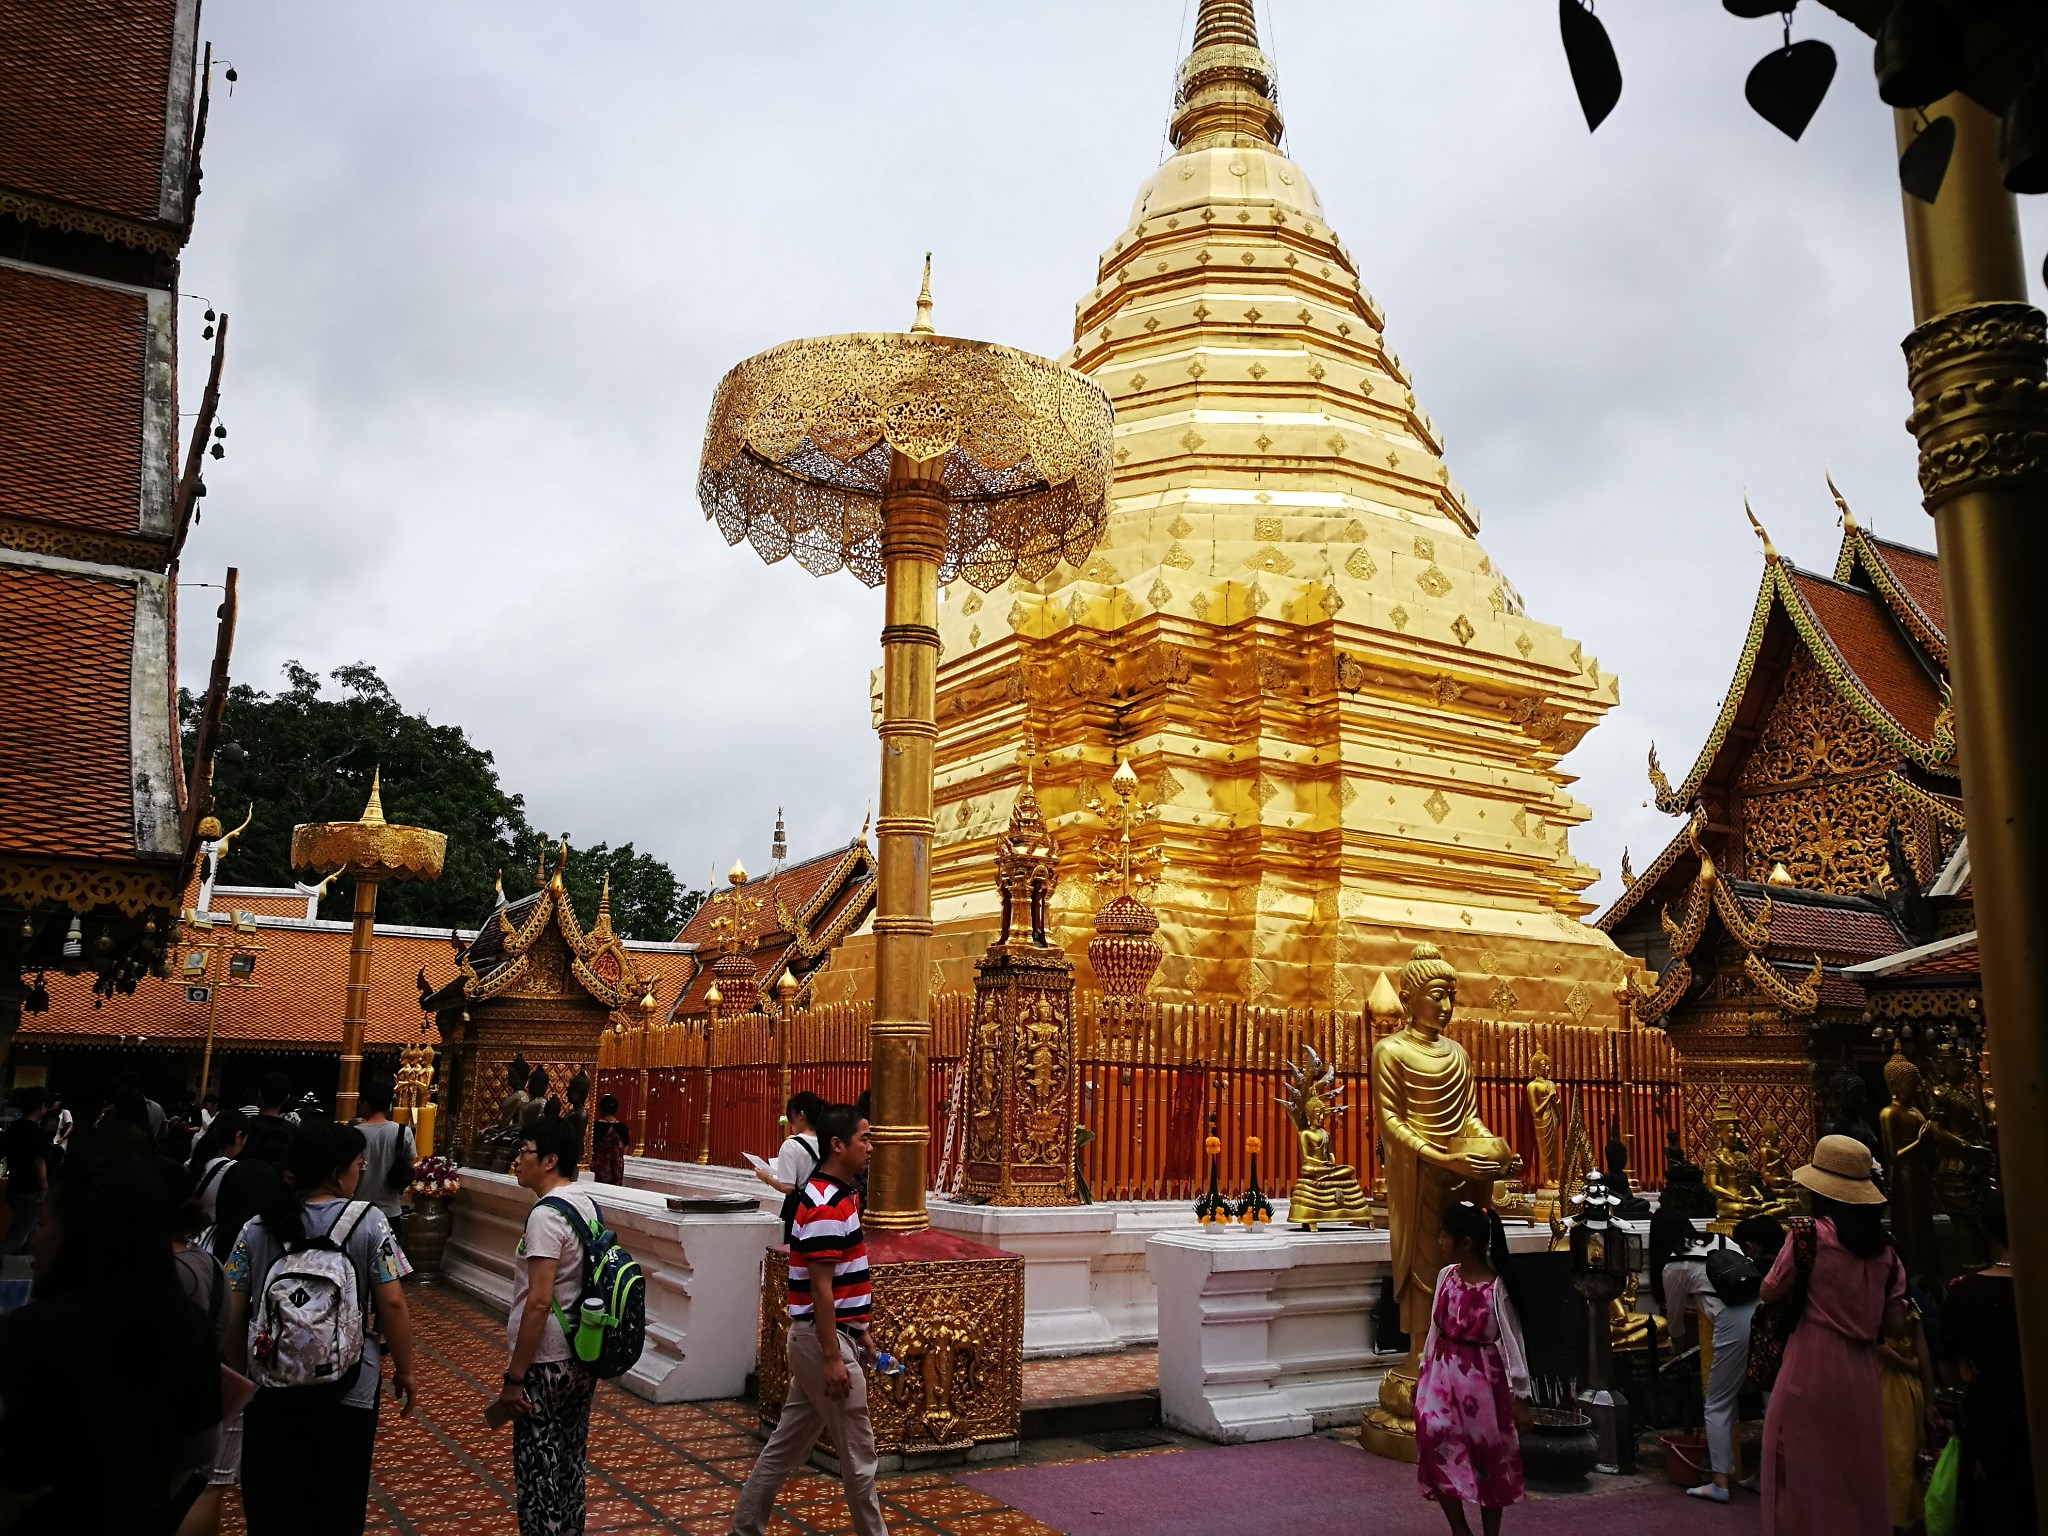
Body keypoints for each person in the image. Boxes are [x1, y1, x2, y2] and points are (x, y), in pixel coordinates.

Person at [0, 1137, 222, 1534]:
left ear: (78, 1233)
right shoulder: (184, 1322)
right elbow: (200, 1448)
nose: (36, 1238)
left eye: (44, 1222)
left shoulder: (33, 1332)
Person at [224, 1122, 417, 1536]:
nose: (361, 1168)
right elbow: (394, 1303)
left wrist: (242, 1375)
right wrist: (405, 1368)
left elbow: (233, 1309)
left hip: (271, 1385)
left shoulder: (257, 1227)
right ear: (335, 1172)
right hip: (350, 1388)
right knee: (337, 1504)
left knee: (275, 1504)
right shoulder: (370, 1222)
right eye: (356, 1163)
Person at [731, 1103, 886, 1536]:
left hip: (827, 1339)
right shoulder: (822, 1206)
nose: (871, 1147)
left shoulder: (840, 1197)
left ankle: (744, 1528)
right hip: (823, 1343)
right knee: (859, 1457)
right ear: (838, 1145)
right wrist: (834, 1356)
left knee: (784, 1447)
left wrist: (862, 1333)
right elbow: (819, 1288)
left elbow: (839, 1282)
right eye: (865, 1139)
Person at [1759, 1134, 1908, 1536]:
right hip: (1861, 1371)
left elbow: (1770, 1291)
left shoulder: (1808, 1235)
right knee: (1853, 1475)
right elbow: (1896, 1325)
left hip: (1810, 1363)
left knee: (1794, 1472)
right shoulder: (1887, 1254)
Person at [495, 1109, 601, 1535]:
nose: (517, 1160)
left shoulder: (544, 1217)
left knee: (538, 1468)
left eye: (524, 1152)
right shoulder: (585, 1204)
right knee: (569, 1460)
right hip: (580, 1352)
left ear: (550, 1160)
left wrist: (514, 1376)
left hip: (545, 1360)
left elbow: (538, 1303)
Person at [1413, 1200, 1528, 1536]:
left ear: (1466, 1243)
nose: (1439, 1242)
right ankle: (1460, 1530)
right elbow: (1434, 1330)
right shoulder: (1445, 1277)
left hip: (1481, 1381)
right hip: (1441, 1374)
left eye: (1444, 1235)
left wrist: (1521, 1395)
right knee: (1435, 1443)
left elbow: (1512, 1341)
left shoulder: (1497, 1288)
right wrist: (1423, 1373)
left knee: (1487, 1457)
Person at [1941, 1195, 2033, 1533]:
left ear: (1985, 1229)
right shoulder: (2037, 1284)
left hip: (1991, 1416)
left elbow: (1949, 1370)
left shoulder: (1964, 1292)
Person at [1686, 1212, 1781, 1504]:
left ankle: (1719, 1481)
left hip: (1753, 1331)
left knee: (1717, 1401)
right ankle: (1768, 1476)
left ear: (1750, 1248)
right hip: (1785, 1340)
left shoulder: (1762, 1271)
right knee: (1774, 1407)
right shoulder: (1792, 1261)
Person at [208, 1077, 293, 1264]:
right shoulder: (292, 1131)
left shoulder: (246, 1127)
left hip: (239, 1197)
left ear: (260, 1095)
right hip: (276, 1203)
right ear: (286, 1098)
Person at [354, 1075, 415, 1237]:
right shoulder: (403, 1132)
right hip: (390, 1210)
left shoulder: (354, 1133)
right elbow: (409, 1168)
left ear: (365, 1104)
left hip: (357, 1209)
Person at [2, 1088, 51, 1254]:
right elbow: (38, 1161)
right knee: (17, 1238)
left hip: (14, 1187)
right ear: (41, 1107)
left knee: (29, 1232)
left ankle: (23, 1268)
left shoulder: (13, 1129)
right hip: (30, 1190)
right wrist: (44, 1187)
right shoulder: (35, 1133)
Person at [752, 1092, 825, 1198]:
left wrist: (765, 1177)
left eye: (790, 1115)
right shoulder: (828, 1141)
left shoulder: (791, 1145)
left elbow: (787, 1188)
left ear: (800, 1115)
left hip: (801, 1207)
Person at [590, 1093, 629, 1186]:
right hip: (616, 1173)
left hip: (597, 1172)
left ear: (600, 1108)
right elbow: (625, 1150)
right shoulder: (623, 1128)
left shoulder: (594, 1127)